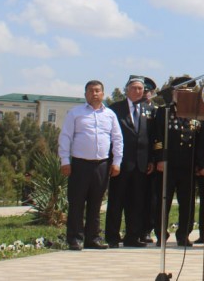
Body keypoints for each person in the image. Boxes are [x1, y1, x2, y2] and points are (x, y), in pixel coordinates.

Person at [58, 80, 123, 251]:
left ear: (103, 93)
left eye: (97, 91)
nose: (94, 94)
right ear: (85, 94)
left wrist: (116, 162)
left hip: (102, 164)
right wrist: (65, 160)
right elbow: (65, 137)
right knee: (77, 202)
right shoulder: (75, 113)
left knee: (96, 203)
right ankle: (75, 238)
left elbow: (117, 139)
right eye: (91, 91)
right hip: (80, 164)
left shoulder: (110, 115)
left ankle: (93, 238)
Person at [152, 76, 204, 247]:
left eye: (187, 92)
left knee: (187, 202)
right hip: (168, 163)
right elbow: (158, 136)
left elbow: (200, 141)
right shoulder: (164, 111)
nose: (183, 95)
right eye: (180, 92)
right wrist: (160, 159)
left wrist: (199, 163)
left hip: (187, 165)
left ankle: (184, 234)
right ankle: (161, 233)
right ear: (173, 93)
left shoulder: (198, 112)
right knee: (163, 201)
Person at [105, 75, 154, 248]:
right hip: (121, 164)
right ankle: (112, 237)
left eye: (140, 89)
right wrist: (112, 161)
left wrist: (151, 160)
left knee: (137, 202)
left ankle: (133, 236)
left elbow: (151, 136)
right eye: (134, 88)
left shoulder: (147, 109)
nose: (137, 91)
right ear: (126, 90)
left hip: (141, 164)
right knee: (117, 201)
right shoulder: (114, 109)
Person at [140, 77, 160, 244]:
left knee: (150, 199)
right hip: (133, 160)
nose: (146, 94)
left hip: (151, 161)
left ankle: (146, 229)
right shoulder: (131, 109)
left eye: (148, 91)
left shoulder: (156, 111)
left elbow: (157, 138)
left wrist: (154, 159)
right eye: (143, 90)